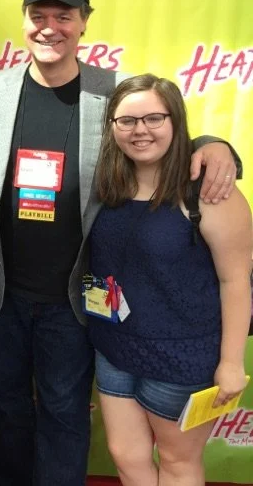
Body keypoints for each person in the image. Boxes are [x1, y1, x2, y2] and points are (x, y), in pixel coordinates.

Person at [0, 0, 240, 486]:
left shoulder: (112, 92)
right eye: (38, 13)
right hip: (2, 296)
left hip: (75, 298)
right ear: (24, 20)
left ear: (83, 21)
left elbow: (159, 134)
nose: (50, 25)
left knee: (63, 413)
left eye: (64, 14)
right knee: (9, 406)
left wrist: (216, 147)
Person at [88, 74, 252, 486]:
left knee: (179, 464)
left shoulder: (211, 192)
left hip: (183, 359)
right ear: (112, 128)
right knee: (125, 456)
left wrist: (232, 363)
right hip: (114, 347)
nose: (140, 130)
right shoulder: (108, 184)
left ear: (176, 121)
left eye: (154, 118)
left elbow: (237, 282)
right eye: (127, 121)